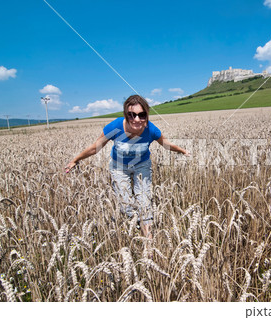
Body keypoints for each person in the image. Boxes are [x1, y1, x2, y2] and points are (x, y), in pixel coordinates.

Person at [64, 95, 190, 238]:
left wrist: (183, 151)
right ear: (126, 115)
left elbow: (167, 145)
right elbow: (95, 148)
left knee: (144, 201)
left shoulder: (151, 130)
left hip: (142, 166)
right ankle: (135, 225)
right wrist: (75, 160)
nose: (137, 119)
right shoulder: (116, 127)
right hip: (119, 167)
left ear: (147, 115)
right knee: (125, 204)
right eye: (132, 115)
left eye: (142, 115)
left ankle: (148, 243)